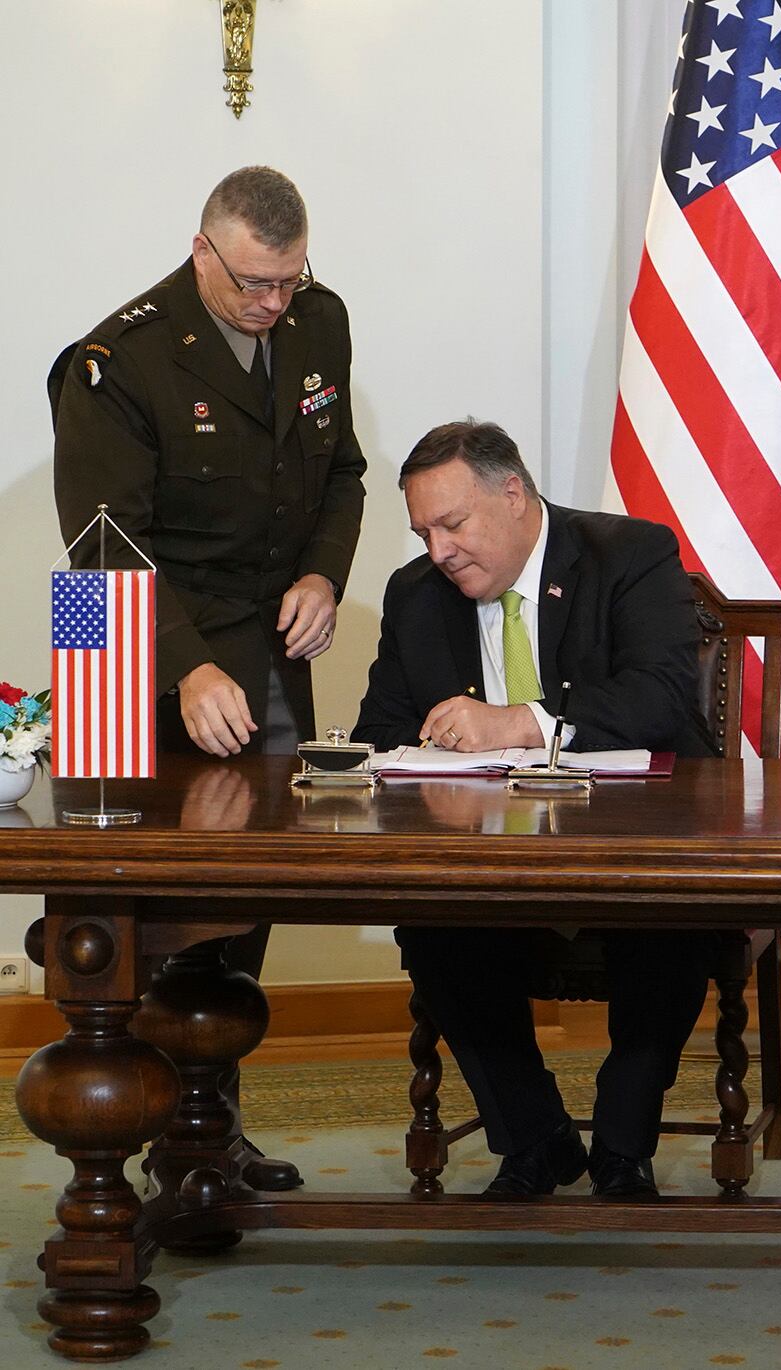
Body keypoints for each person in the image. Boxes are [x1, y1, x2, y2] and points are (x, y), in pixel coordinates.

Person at [50, 165, 367, 1195]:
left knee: (243, 901)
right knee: (132, 917)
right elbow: (102, 549)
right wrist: (182, 668)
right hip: (132, 655)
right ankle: (116, 1148)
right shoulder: (117, 360)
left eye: (288, 279)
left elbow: (345, 473)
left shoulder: (321, 322)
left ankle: (205, 1129)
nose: (273, 303)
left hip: (266, 649)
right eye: (252, 284)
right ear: (203, 252)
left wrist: (324, 570)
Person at [352, 420, 719, 1198]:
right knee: (430, 921)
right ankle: (535, 1137)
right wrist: (439, 743)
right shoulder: (416, 595)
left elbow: (660, 695)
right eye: (424, 533)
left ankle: (623, 1145)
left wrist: (524, 721)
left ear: (513, 493)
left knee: (675, 917)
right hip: (489, 853)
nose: (439, 551)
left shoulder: (629, 555)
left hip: (639, 844)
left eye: (453, 525)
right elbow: (377, 733)